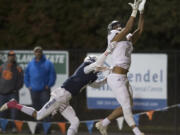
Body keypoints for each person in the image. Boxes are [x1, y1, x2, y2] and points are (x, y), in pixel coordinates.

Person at [0, 45, 115, 135]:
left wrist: (108, 77)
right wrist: (107, 51)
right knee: (39, 115)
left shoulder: (90, 76)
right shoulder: (85, 69)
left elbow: (96, 85)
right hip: (60, 96)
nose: (98, 68)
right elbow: (98, 63)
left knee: (75, 121)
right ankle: (14, 104)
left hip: (64, 99)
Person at [95, 0, 146, 135]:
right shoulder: (112, 36)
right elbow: (128, 28)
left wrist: (141, 13)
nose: (118, 26)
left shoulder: (125, 37)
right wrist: (133, 12)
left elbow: (139, 31)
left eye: (119, 25)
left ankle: (102, 124)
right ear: (111, 29)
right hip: (115, 77)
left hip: (123, 77)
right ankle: (137, 132)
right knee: (127, 106)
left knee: (128, 105)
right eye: (115, 25)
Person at [24, 46, 56, 133]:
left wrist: (49, 85)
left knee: (46, 108)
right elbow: (26, 75)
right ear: (34, 53)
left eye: (39, 52)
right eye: (36, 52)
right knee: (36, 109)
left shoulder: (48, 63)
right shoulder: (30, 64)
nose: (38, 53)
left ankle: (47, 128)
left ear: (42, 53)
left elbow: (52, 75)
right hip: (33, 90)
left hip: (44, 91)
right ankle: (37, 127)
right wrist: (28, 85)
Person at [0, 50, 23, 133]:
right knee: (2, 112)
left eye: (13, 55)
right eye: (10, 55)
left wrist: (16, 89)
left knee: (14, 112)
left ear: (14, 57)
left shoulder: (18, 67)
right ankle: (3, 128)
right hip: (2, 94)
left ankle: (14, 127)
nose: (11, 57)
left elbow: (21, 80)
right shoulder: (2, 66)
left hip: (13, 94)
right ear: (8, 56)